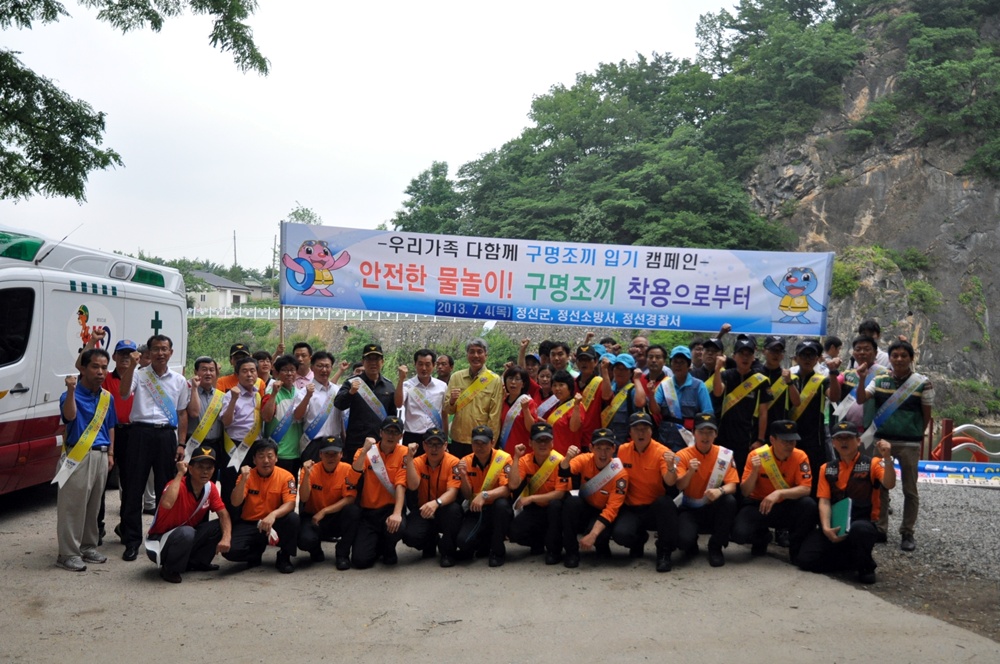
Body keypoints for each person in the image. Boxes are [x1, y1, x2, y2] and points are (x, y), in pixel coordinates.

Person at [117, 334, 190, 562]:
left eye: (164, 349)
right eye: (156, 349)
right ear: (149, 352)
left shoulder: (179, 380)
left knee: (165, 489)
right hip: (139, 433)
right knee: (133, 489)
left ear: (171, 352)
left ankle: (160, 535)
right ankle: (131, 541)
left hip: (166, 435)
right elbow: (123, 393)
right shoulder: (139, 375)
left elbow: (182, 413)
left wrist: (181, 443)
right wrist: (133, 366)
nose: (160, 353)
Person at [856, 340, 933, 552]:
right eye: (895, 355)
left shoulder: (923, 383)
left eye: (903, 355)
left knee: (910, 489)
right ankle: (881, 528)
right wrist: (861, 379)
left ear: (911, 358)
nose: (899, 359)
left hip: (909, 443)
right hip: (882, 442)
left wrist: (915, 435)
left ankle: (907, 532)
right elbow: (861, 399)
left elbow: (926, 415)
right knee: (879, 486)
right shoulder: (879, 380)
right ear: (889, 358)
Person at [797, 423, 894, 584]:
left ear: (858, 441)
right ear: (833, 443)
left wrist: (888, 458)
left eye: (848, 437)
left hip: (862, 523)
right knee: (805, 560)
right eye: (839, 438)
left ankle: (866, 567)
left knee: (860, 530)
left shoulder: (873, 463)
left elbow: (889, 484)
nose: (844, 442)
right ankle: (850, 559)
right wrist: (826, 528)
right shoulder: (826, 468)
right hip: (836, 525)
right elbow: (824, 501)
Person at [56, 348, 116, 572]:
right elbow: (69, 416)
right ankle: (68, 553)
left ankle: (88, 546)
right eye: (95, 367)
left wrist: (111, 454)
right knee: (72, 507)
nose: (100, 372)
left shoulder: (107, 397)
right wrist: (71, 390)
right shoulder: (70, 395)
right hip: (78, 456)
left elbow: (110, 426)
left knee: (93, 506)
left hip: (101, 455)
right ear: (83, 369)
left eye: (104, 367)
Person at [732, 420, 818, 563]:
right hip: (759, 505)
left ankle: (796, 550)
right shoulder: (756, 455)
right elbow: (745, 492)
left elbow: (806, 488)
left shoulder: (800, 456)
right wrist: (754, 471)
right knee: (739, 534)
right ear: (772, 439)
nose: (790, 445)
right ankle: (762, 537)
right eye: (785, 441)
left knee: (808, 505)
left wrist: (780, 493)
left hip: (785, 505)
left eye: (793, 441)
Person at [145, 447, 232, 583]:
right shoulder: (177, 485)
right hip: (159, 542)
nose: (205, 472)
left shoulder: (210, 487)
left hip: (185, 537)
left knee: (219, 525)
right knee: (187, 532)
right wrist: (180, 473)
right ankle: (170, 569)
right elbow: (166, 503)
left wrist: (226, 538)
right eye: (200, 467)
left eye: (209, 468)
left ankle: (197, 562)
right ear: (190, 469)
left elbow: (223, 514)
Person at [612, 412, 678, 572]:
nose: (640, 433)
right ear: (630, 432)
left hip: (653, 509)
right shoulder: (622, 450)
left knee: (666, 503)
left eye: (645, 429)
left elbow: (670, 481)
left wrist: (671, 467)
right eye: (636, 429)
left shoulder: (662, 452)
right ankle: (639, 539)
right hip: (631, 507)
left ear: (651, 431)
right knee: (621, 535)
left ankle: (664, 552)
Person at [670, 413, 739, 567]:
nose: (705, 436)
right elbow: (680, 485)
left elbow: (732, 485)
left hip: (712, 506)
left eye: (710, 432)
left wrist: (720, 491)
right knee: (683, 541)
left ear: (716, 434)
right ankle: (691, 543)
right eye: (701, 432)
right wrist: (690, 472)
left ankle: (715, 546)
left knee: (729, 501)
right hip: (690, 508)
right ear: (693, 433)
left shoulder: (724, 455)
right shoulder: (682, 455)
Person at [224, 439, 300, 573]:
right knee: (229, 551)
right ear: (254, 460)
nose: (266, 461)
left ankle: (284, 557)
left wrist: (273, 515)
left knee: (293, 518)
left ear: (276, 458)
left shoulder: (286, 476)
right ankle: (255, 554)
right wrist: (243, 480)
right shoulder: (246, 476)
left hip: (274, 522)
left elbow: (290, 503)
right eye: (261, 456)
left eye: (270, 456)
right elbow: (235, 502)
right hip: (250, 523)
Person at [559, 428, 628, 568]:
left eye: (607, 448)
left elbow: (612, 509)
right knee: (571, 503)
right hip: (587, 506)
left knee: (600, 535)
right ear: (591, 448)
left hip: (605, 513)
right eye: (598, 448)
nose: (603, 454)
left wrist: (593, 534)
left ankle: (602, 544)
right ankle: (571, 552)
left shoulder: (620, 474)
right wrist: (567, 458)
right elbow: (564, 471)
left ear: (614, 449)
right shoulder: (584, 459)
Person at [350, 416, 410, 568]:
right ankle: (377, 545)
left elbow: (401, 484)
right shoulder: (367, 451)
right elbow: (352, 479)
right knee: (360, 561)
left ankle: (388, 548)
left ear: (401, 436)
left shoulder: (405, 452)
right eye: (388, 431)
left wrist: (397, 513)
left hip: (390, 509)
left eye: (395, 433)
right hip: (369, 512)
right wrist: (364, 451)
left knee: (397, 527)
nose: (391, 436)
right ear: (380, 433)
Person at [508, 422, 571, 565]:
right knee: (514, 532)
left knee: (555, 506)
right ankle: (538, 542)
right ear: (530, 442)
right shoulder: (525, 460)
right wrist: (516, 457)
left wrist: (531, 498)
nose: (543, 444)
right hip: (535, 508)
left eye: (546, 440)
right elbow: (513, 484)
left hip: (554, 508)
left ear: (552, 443)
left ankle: (554, 550)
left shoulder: (560, 461)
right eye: (538, 440)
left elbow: (560, 494)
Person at [401, 428, 462, 567]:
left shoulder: (454, 462)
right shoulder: (417, 462)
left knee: (454, 511)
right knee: (409, 535)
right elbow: (413, 486)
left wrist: (436, 503)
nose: (434, 449)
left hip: (444, 508)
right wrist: (409, 458)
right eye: (430, 444)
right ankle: (430, 541)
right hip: (424, 510)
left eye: (438, 444)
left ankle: (448, 552)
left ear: (445, 445)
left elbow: (453, 492)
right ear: (424, 445)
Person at [297, 436, 360, 570]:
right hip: (313, 517)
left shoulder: (348, 469)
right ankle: (315, 550)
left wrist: (325, 511)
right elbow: (303, 498)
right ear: (320, 455)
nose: (331, 458)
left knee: (353, 512)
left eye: (335, 454)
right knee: (304, 540)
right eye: (327, 454)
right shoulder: (310, 470)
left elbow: (350, 498)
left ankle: (342, 555)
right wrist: (307, 475)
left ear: (341, 454)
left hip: (335, 516)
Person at [713, 334, 773, 474]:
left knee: (742, 473)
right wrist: (717, 370)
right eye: (741, 354)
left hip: (747, 436)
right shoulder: (726, 375)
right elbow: (717, 392)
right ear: (734, 356)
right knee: (722, 473)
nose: (745, 358)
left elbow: (763, 412)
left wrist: (760, 439)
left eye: (748, 354)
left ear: (753, 357)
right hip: (724, 434)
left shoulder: (761, 380)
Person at [456, 425, 514, 567]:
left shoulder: (503, 458)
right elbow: (467, 495)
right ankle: (484, 543)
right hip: (476, 510)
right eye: (476, 443)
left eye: (484, 443)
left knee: (502, 505)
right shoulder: (466, 461)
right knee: (463, 542)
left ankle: (497, 551)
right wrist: (463, 476)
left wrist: (485, 495)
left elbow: (507, 489)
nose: (480, 447)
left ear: (492, 442)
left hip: (496, 509)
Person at [789, 339, 841, 493]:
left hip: (814, 438)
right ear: (796, 358)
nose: (807, 359)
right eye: (803, 355)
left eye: (811, 356)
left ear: (817, 358)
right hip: (790, 435)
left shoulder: (822, 380)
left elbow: (834, 396)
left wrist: (833, 373)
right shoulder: (788, 379)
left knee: (813, 477)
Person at [335, 344, 397, 463]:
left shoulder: (389, 386)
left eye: (376, 359)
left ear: (382, 362)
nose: (373, 363)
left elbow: (392, 416)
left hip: (380, 444)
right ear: (363, 361)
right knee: (355, 474)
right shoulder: (352, 383)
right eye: (369, 359)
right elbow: (338, 404)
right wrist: (350, 393)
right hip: (356, 442)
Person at [443, 338, 503, 458]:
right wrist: (452, 401)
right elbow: (448, 410)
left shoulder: (494, 380)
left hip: (481, 440)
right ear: (467, 355)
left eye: (479, 352)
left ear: (486, 355)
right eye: (472, 352)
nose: (476, 355)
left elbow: (494, 416)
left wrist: (491, 443)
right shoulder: (456, 377)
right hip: (458, 438)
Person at [650, 346, 713, 452]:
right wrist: (651, 395)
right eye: (675, 362)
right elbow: (655, 410)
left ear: (688, 365)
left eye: (682, 362)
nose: (678, 365)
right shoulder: (664, 385)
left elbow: (708, 413)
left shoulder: (699, 385)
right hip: (665, 437)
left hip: (689, 438)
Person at [220, 356, 264, 494]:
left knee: (253, 486)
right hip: (235, 446)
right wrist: (234, 399)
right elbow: (226, 422)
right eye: (244, 371)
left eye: (252, 370)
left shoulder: (257, 395)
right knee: (232, 484)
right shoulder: (230, 395)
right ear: (237, 375)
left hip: (256, 446)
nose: (249, 374)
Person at [294, 350, 344, 463]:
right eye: (320, 366)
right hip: (313, 443)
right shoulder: (304, 392)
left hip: (335, 443)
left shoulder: (337, 391)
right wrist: (308, 396)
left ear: (332, 368)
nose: (324, 370)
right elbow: (297, 416)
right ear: (312, 367)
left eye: (327, 366)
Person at [262, 354, 304, 479]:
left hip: (297, 453)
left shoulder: (300, 394)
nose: (289, 373)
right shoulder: (271, 393)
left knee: (291, 486)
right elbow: (266, 417)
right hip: (278, 454)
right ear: (277, 373)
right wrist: (274, 394)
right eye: (285, 370)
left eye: (292, 370)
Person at [395, 349, 448, 448]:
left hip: (435, 436)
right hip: (412, 436)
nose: (424, 368)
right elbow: (398, 404)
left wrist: (445, 438)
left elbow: (444, 414)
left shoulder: (442, 386)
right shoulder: (407, 385)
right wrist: (401, 379)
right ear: (415, 364)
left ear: (433, 365)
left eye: (427, 365)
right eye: (420, 364)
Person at [599, 354, 647, 446]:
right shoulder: (610, 388)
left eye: (624, 369)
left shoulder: (633, 390)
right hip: (607, 440)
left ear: (631, 372)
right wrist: (604, 370)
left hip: (626, 441)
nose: (620, 372)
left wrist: (637, 379)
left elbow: (640, 402)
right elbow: (606, 396)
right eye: (617, 368)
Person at [498, 366, 537, 454]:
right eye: (510, 378)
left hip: (522, 451)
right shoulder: (502, 401)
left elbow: (531, 428)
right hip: (503, 451)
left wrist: (525, 410)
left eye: (517, 379)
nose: (513, 382)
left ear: (523, 384)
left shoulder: (528, 402)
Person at [573, 345, 604, 448]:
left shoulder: (601, 383)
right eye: (581, 360)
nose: (584, 363)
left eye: (587, 360)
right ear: (576, 362)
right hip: (574, 439)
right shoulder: (571, 384)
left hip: (593, 440)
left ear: (595, 362)